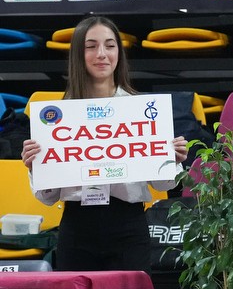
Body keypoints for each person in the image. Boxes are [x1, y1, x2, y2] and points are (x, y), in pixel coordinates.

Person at [21, 16, 187, 272]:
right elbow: (48, 197)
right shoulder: (56, 116)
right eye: (91, 46)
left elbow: (163, 184)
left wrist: (171, 160)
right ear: (78, 54)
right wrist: (36, 167)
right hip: (77, 226)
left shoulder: (143, 111)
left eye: (110, 45)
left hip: (128, 226)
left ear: (119, 52)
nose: (101, 54)